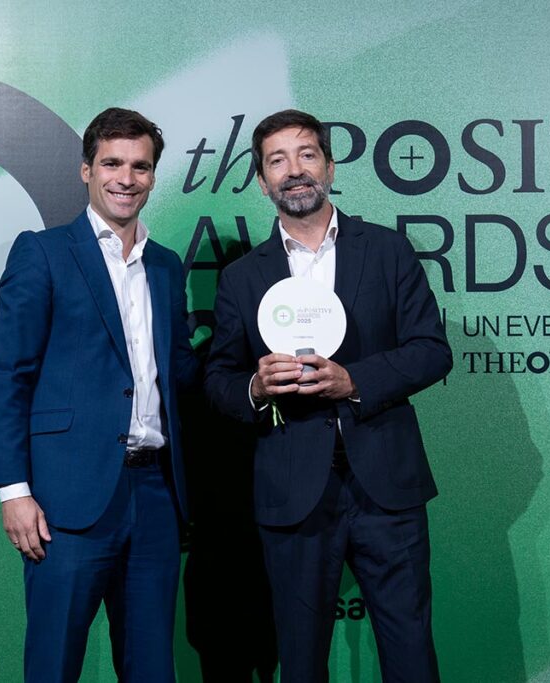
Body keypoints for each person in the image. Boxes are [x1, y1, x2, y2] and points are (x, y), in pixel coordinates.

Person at [205, 109, 452, 682]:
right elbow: (218, 379)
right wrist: (254, 386)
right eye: (277, 160)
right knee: (300, 660)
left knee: (411, 652)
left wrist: (355, 381)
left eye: (307, 154)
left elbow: (431, 350)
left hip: (386, 486)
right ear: (262, 181)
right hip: (293, 491)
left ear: (330, 167)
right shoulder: (243, 277)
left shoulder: (388, 250)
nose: (294, 170)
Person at [0, 107, 197, 682]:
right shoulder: (44, 252)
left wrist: (253, 371)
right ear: (86, 170)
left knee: (152, 669)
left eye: (140, 166)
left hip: (156, 496)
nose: (126, 178)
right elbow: (8, 374)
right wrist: (14, 491)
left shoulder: (166, 267)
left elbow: (180, 372)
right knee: (53, 666)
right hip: (65, 500)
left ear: (153, 176)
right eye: (112, 164)